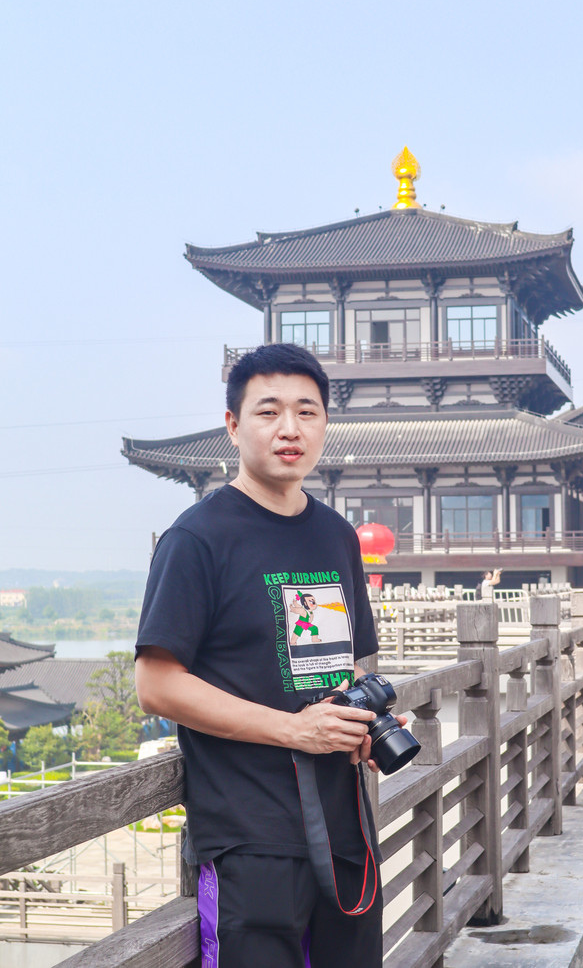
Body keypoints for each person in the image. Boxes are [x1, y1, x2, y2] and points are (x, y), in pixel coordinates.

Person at [135, 343, 387, 968]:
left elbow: (351, 663)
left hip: (345, 827)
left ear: (325, 424)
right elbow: (156, 684)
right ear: (233, 425)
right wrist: (293, 730)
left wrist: (363, 720)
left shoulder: (336, 535)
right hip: (250, 837)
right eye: (268, 412)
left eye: (307, 412)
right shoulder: (197, 538)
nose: (289, 429)